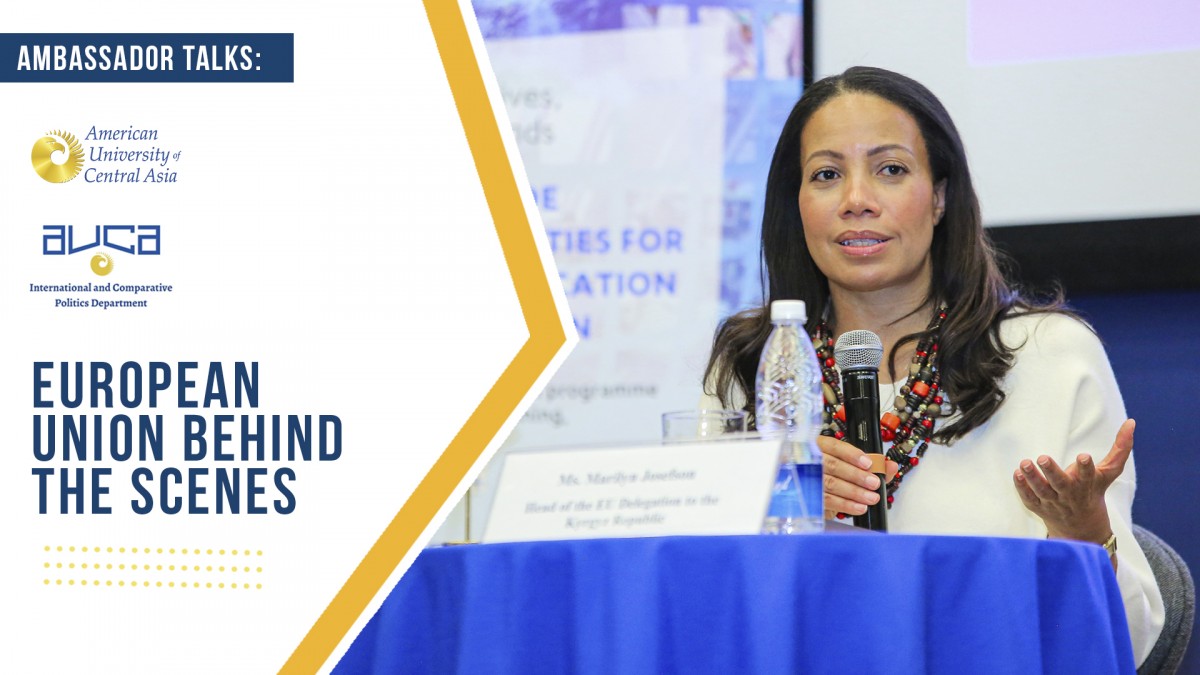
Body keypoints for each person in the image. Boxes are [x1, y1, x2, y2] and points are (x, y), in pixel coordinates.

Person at [701, 66, 1164, 665]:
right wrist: (766, 502)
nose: (857, 200)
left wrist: (1081, 533)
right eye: (827, 175)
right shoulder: (750, 365)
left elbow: (1130, 640)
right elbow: (700, 597)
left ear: (940, 196)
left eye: (891, 170)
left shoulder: (1047, 355)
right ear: (797, 204)